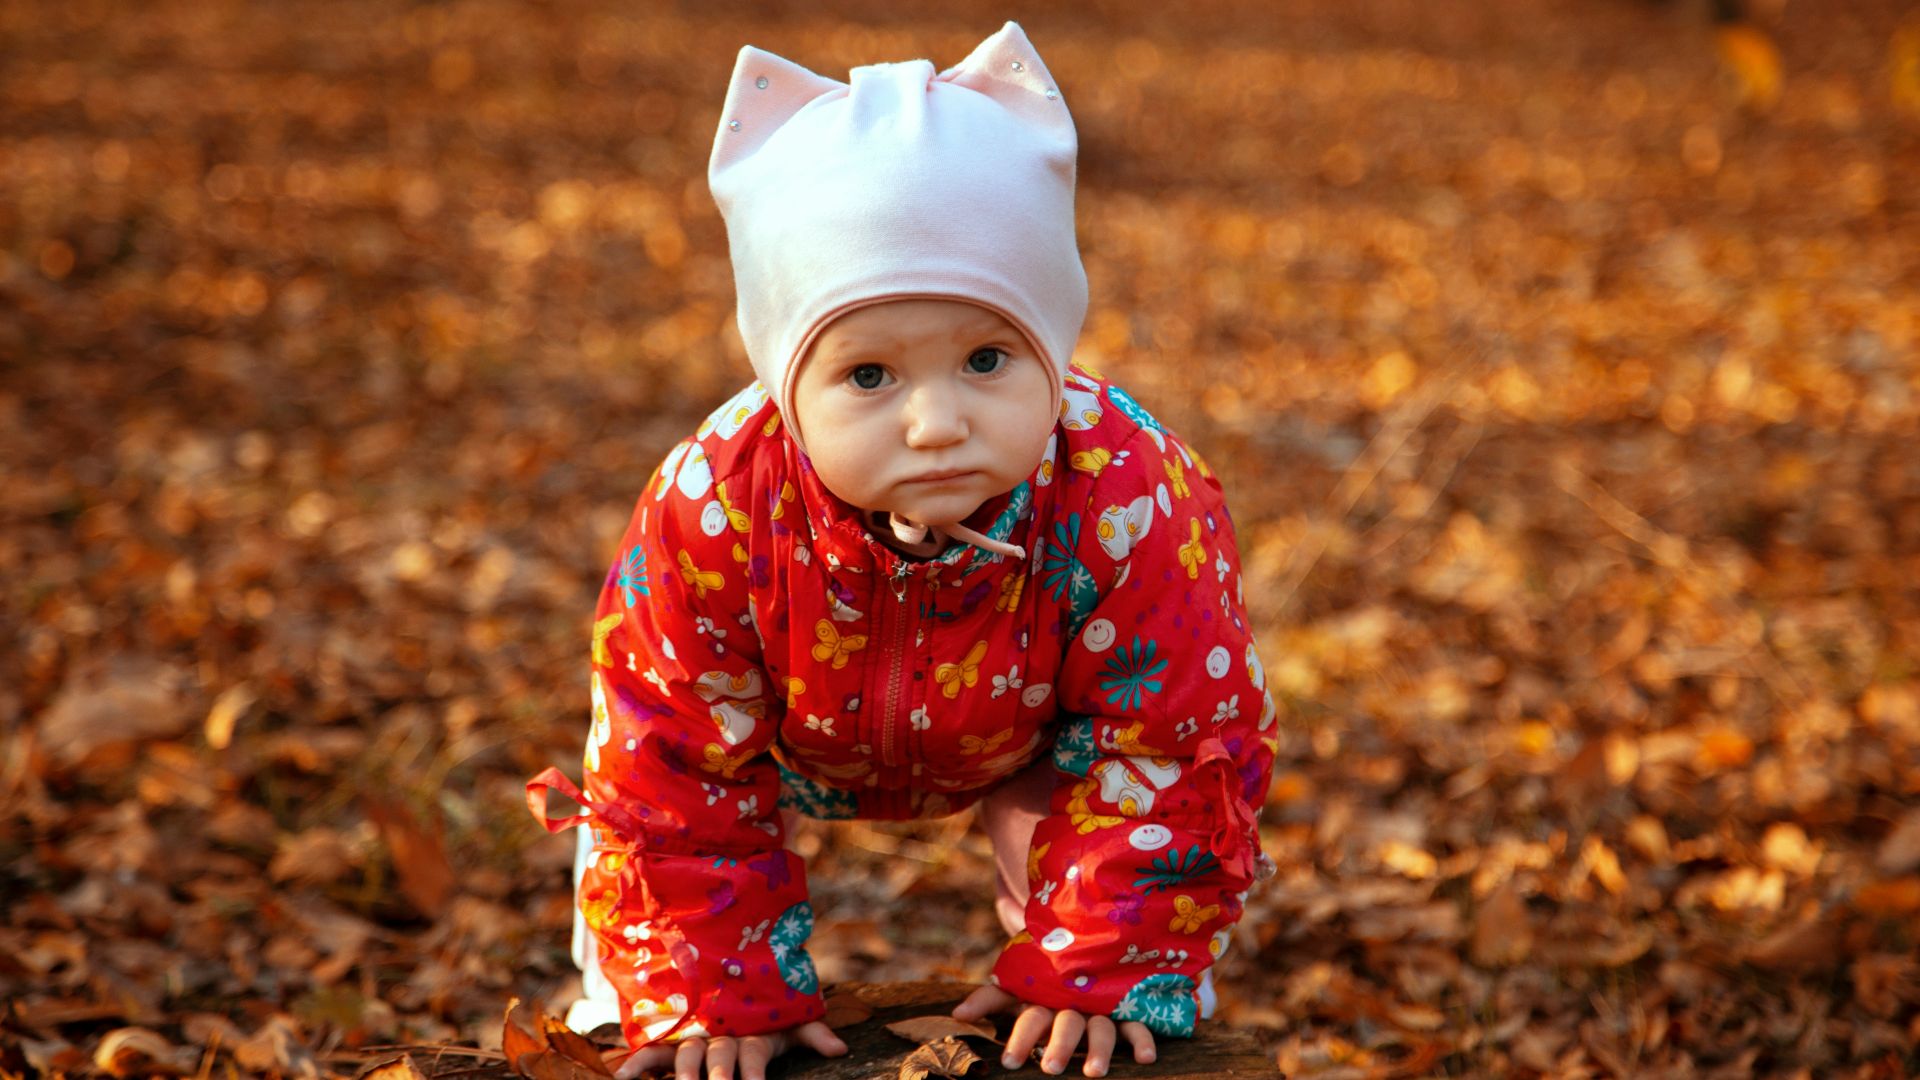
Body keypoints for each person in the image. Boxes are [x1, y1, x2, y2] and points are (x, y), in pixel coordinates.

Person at [524, 21, 1278, 1080]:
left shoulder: (1126, 495)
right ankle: (644, 1006)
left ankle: (1112, 981)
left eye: (984, 358)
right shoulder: (716, 508)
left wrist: (1105, 960)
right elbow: (672, 753)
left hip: (1032, 736)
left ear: (1051, 351)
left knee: (1110, 944)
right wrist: (709, 988)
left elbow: (1169, 739)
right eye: (869, 375)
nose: (935, 423)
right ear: (790, 383)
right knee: (656, 844)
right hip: (785, 728)